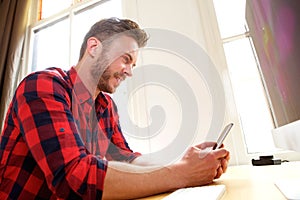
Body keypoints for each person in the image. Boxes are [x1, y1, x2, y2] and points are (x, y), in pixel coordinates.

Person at [0, 17, 230, 199]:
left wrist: (185, 161)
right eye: (126, 59)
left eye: (133, 64)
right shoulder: (43, 86)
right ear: (94, 47)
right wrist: (182, 174)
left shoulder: (106, 106)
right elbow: (74, 178)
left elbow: (125, 159)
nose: (130, 71)